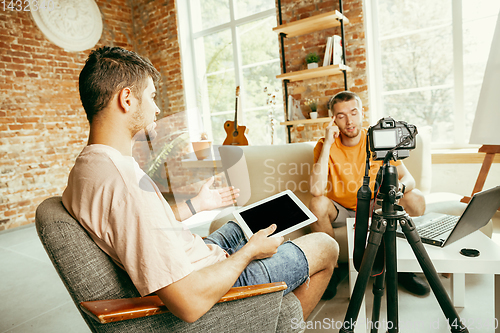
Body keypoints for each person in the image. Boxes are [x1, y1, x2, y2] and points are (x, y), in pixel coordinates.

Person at [62, 46, 339, 323]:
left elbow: (131, 224)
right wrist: (249, 253)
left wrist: (198, 205)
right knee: (326, 246)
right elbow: (189, 302)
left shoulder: (89, 166)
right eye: (152, 96)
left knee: (246, 221)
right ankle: (279, 326)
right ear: (127, 99)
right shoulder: (122, 181)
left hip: (193, 254)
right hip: (204, 281)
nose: (157, 108)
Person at [308, 91, 429, 297]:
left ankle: (404, 269)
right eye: (341, 115)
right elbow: (317, 190)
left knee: (416, 197)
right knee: (317, 203)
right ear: (333, 119)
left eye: (353, 113)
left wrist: (396, 191)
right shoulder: (324, 145)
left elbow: (409, 180)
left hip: (378, 208)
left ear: (362, 113)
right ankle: (332, 271)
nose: (349, 121)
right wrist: (328, 143)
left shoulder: (376, 139)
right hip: (343, 211)